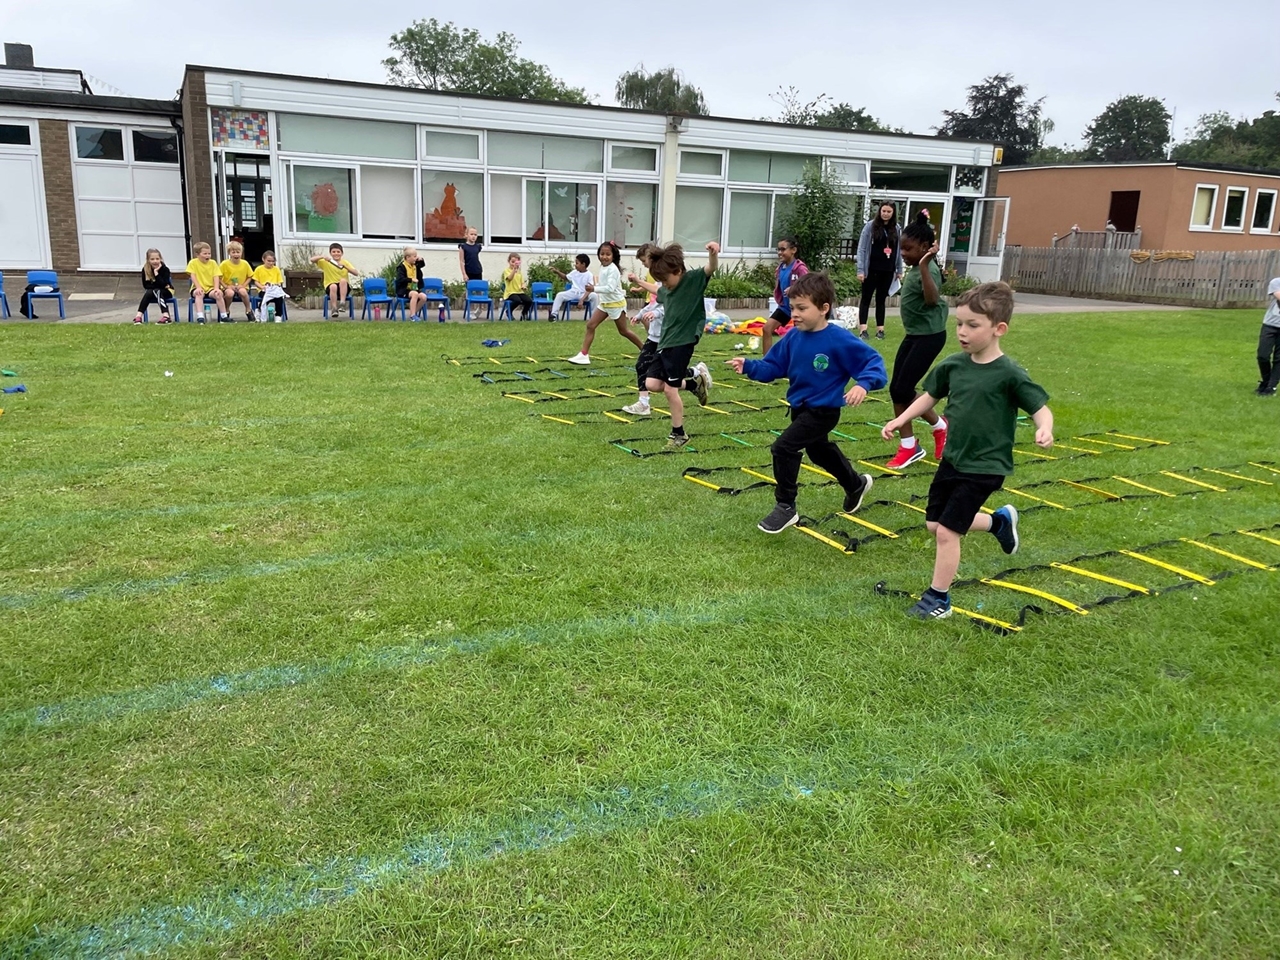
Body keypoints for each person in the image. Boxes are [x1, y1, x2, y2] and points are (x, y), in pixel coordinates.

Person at [880, 281, 1054, 621]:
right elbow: (929, 397)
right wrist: (900, 419)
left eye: (972, 325)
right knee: (934, 524)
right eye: (959, 323)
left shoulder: (1009, 374)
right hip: (953, 459)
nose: (962, 331)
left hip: (986, 465)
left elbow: (1040, 407)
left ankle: (939, 599)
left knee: (948, 532)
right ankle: (998, 523)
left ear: (998, 329)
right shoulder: (953, 365)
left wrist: (1043, 427)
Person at [728, 272, 888, 534]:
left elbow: (873, 362)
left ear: (824, 308)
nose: (795, 314)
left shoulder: (839, 339)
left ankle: (786, 506)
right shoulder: (793, 337)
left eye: (802, 308)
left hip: (824, 410)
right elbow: (773, 366)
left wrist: (863, 384)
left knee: (783, 448)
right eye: (792, 308)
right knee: (818, 451)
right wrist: (749, 366)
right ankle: (855, 484)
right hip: (800, 408)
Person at [884, 211, 950, 469]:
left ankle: (912, 445)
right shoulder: (916, 266)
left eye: (908, 249)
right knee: (897, 390)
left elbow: (932, 299)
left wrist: (923, 265)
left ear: (924, 247)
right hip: (915, 335)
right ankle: (933, 431)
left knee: (902, 390)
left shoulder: (928, 268)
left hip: (929, 337)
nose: (903, 253)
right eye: (901, 248)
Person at [644, 242, 717, 449]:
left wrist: (713, 253)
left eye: (665, 279)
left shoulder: (692, 280)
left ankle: (679, 434)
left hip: (683, 341)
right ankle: (694, 380)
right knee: (652, 384)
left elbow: (711, 268)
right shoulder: (668, 289)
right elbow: (658, 290)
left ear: (677, 271)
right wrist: (640, 282)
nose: (664, 284)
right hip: (665, 342)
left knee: (670, 390)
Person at [569, 241, 645, 363]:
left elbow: (610, 288)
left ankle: (645, 350)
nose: (604, 257)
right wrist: (594, 286)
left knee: (623, 331)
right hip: (605, 304)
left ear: (613, 256)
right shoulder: (603, 267)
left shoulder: (613, 270)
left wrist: (594, 289)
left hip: (616, 304)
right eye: (602, 254)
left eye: (608, 254)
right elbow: (603, 284)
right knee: (590, 325)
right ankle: (584, 354)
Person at [623, 243, 663, 416]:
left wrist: (656, 313)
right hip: (655, 335)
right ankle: (643, 404)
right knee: (641, 365)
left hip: (668, 336)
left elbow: (671, 304)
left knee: (666, 373)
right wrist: (640, 314)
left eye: (644, 261)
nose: (644, 265)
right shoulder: (658, 279)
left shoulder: (668, 279)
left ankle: (696, 373)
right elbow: (654, 303)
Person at [856, 202, 903, 340]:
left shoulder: (897, 228)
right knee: (866, 298)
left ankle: (880, 329)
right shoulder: (870, 226)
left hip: (887, 269)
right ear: (879, 211)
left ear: (893, 213)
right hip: (871, 269)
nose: (886, 214)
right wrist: (861, 270)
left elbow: (898, 250)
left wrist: (899, 269)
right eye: (884, 211)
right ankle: (863, 329)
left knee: (881, 300)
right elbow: (862, 248)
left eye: (889, 212)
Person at [762, 237, 809, 355]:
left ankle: (799, 360)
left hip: (798, 309)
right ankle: (767, 361)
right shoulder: (780, 268)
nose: (779, 253)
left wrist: (794, 289)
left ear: (793, 250)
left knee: (799, 337)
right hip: (785, 308)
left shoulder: (800, 268)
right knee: (766, 329)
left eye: (783, 249)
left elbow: (808, 285)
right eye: (778, 250)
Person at [311, 243, 359, 318]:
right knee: (333, 286)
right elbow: (312, 260)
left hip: (343, 289)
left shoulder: (345, 262)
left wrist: (345, 266)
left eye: (338, 252)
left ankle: (342, 304)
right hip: (330, 288)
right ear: (330, 253)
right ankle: (334, 308)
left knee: (343, 280)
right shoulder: (326, 262)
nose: (336, 253)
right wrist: (323, 257)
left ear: (342, 253)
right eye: (333, 252)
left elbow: (356, 273)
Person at [186, 241, 226, 323]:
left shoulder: (213, 263)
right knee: (199, 294)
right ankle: (200, 317)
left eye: (209, 253)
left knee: (218, 294)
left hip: (210, 288)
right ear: (197, 254)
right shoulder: (193, 263)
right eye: (205, 254)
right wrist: (198, 287)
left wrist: (216, 288)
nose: (207, 255)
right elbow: (193, 276)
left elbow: (216, 276)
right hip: (198, 287)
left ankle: (224, 316)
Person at [548, 255, 596, 321]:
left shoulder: (589, 275)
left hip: (584, 294)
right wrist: (557, 272)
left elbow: (589, 289)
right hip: (573, 292)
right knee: (560, 295)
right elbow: (565, 277)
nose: (575, 265)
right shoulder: (574, 272)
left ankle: (594, 318)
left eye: (577, 263)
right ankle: (553, 315)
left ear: (583, 264)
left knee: (594, 296)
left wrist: (582, 300)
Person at [133, 248, 174, 324]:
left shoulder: (165, 269)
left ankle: (166, 316)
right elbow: (146, 285)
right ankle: (138, 316)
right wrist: (158, 285)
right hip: (153, 292)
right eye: (152, 259)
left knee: (156, 291)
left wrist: (156, 273)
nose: (155, 261)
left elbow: (164, 284)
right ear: (148, 260)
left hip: (167, 291)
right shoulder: (145, 270)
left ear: (160, 259)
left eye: (157, 259)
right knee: (150, 292)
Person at [220, 241, 256, 322]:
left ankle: (248, 310)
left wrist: (243, 285)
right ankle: (226, 310)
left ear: (241, 253)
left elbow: (250, 276)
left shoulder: (245, 263)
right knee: (229, 293)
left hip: (241, 286)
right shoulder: (224, 264)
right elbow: (218, 277)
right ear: (229, 253)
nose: (236, 254)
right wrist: (226, 286)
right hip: (228, 287)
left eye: (238, 252)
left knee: (243, 292)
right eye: (233, 252)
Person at [1256, 276, 1280, 396]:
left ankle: (1271, 386)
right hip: (1270, 324)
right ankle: (1266, 381)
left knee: (1279, 358)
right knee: (1262, 355)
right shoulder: (1276, 282)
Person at [252, 250, 287, 322]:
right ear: (263, 259)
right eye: (269, 261)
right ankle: (259, 311)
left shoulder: (276, 269)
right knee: (266, 297)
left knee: (279, 298)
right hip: (263, 290)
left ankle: (278, 315)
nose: (271, 263)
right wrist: (262, 287)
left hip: (274, 290)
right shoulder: (259, 269)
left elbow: (279, 281)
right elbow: (256, 281)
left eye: (273, 261)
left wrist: (277, 286)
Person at [396, 246, 428, 318]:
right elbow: (400, 279)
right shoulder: (401, 267)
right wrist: (411, 280)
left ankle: (413, 314)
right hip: (404, 290)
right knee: (415, 294)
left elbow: (422, 265)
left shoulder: (415, 265)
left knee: (423, 297)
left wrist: (421, 259)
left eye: (416, 256)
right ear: (408, 257)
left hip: (414, 288)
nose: (416, 258)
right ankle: (413, 315)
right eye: (414, 256)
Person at [500, 254, 534, 321]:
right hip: (510, 292)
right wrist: (514, 270)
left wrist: (523, 286)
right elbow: (509, 278)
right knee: (517, 300)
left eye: (516, 262)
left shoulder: (519, 272)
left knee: (529, 301)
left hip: (519, 292)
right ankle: (508, 311)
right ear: (509, 261)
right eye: (512, 262)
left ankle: (524, 313)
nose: (514, 264)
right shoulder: (506, 271)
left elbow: (522, 282)